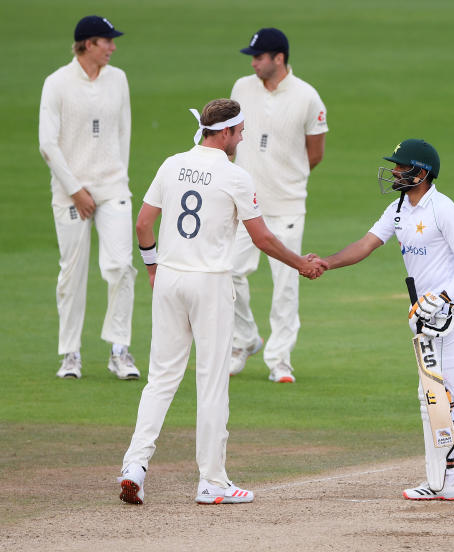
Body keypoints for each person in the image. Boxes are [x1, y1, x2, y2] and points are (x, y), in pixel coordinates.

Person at [118, 99, 325, 505]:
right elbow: (262, 238)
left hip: (171, 278)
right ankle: (212, 482)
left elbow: (143, 223)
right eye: (240, 130)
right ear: (225, 132)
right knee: (211, 383)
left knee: (161, 379)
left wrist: (152, 267)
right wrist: (301, 264)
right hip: (210, 283)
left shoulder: (171, 163)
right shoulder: (235, 176)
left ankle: (134, 467)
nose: (243, 137)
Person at [321, 139, 454, 500]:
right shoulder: (398, 207)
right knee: (447, 388)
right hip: (424, 315)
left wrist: (443, 298)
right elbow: (365, 244)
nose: (395, 172)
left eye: (401, 167)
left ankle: (445, 482)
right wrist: (326, 263)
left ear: (421, 172)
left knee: (433, 394)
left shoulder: (444, 210)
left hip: (448, 310)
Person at [39, 15, 139, 380]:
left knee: (121, 267)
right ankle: (70, 354)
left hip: (113, 187)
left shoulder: (119, 79)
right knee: (72, 273)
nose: (112, 47)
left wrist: (117, 178)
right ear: (86, 45)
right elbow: (47, 143)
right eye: (106, 41)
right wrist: (75, 189)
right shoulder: (57, 83)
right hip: (70, 192)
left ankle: (119, 350)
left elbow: (123, 132)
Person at [228, 27, 329, 383]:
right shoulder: (242, 88)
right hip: (245, 204)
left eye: (259, 57)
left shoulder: (307, 97)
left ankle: (279, 359)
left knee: (286, 282)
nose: (254, 63)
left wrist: (287, 178)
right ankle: (244, 340)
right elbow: (231, 138)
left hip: (287, 205)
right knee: (229, 272)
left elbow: (314, 154)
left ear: (279, 58)